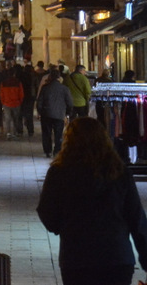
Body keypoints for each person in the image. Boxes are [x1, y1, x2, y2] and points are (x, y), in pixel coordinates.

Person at [37, 117, 147, 285]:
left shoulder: (59, 172)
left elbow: (46, 212)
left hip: (77, 257)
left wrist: (64, 226)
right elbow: (137, 219)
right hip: (117, 257)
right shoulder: (120, 172)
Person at [37, 69, 74, 158]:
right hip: (59, 114)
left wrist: (40, 112)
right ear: (59, 78)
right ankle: (57, 150)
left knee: (46, 133)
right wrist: (67, 113)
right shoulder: (64, 89)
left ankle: (48, 151)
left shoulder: (45, 88)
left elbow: (39, 102)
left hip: (46, 114)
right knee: (58, 133)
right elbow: (70, 103)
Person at [0, 66, 24, 139]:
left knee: (7, 119)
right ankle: (15, 133)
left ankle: (8, 133)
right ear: (14, 74)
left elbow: (1, 94)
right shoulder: (18, 82)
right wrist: (20, 101)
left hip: (6, 103)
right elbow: (21, 93)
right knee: (15, 119)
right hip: (16, 103)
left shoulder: (3, 83)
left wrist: (3, 102)